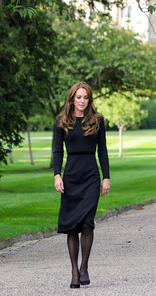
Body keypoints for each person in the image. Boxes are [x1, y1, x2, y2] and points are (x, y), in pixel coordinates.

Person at [53, 81, 110, 289]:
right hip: (71, 177)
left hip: (91, 177)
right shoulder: (61, 121)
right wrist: (57, 175)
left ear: (90, 99)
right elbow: (57, 151)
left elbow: (102, 150)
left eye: (86, 97)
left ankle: (84, 266)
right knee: (72, 225)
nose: (82, 101)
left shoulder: (97, 120)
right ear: (72, 99)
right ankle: (74, 271)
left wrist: (106, 177)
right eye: (79, 97)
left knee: (87, 222)